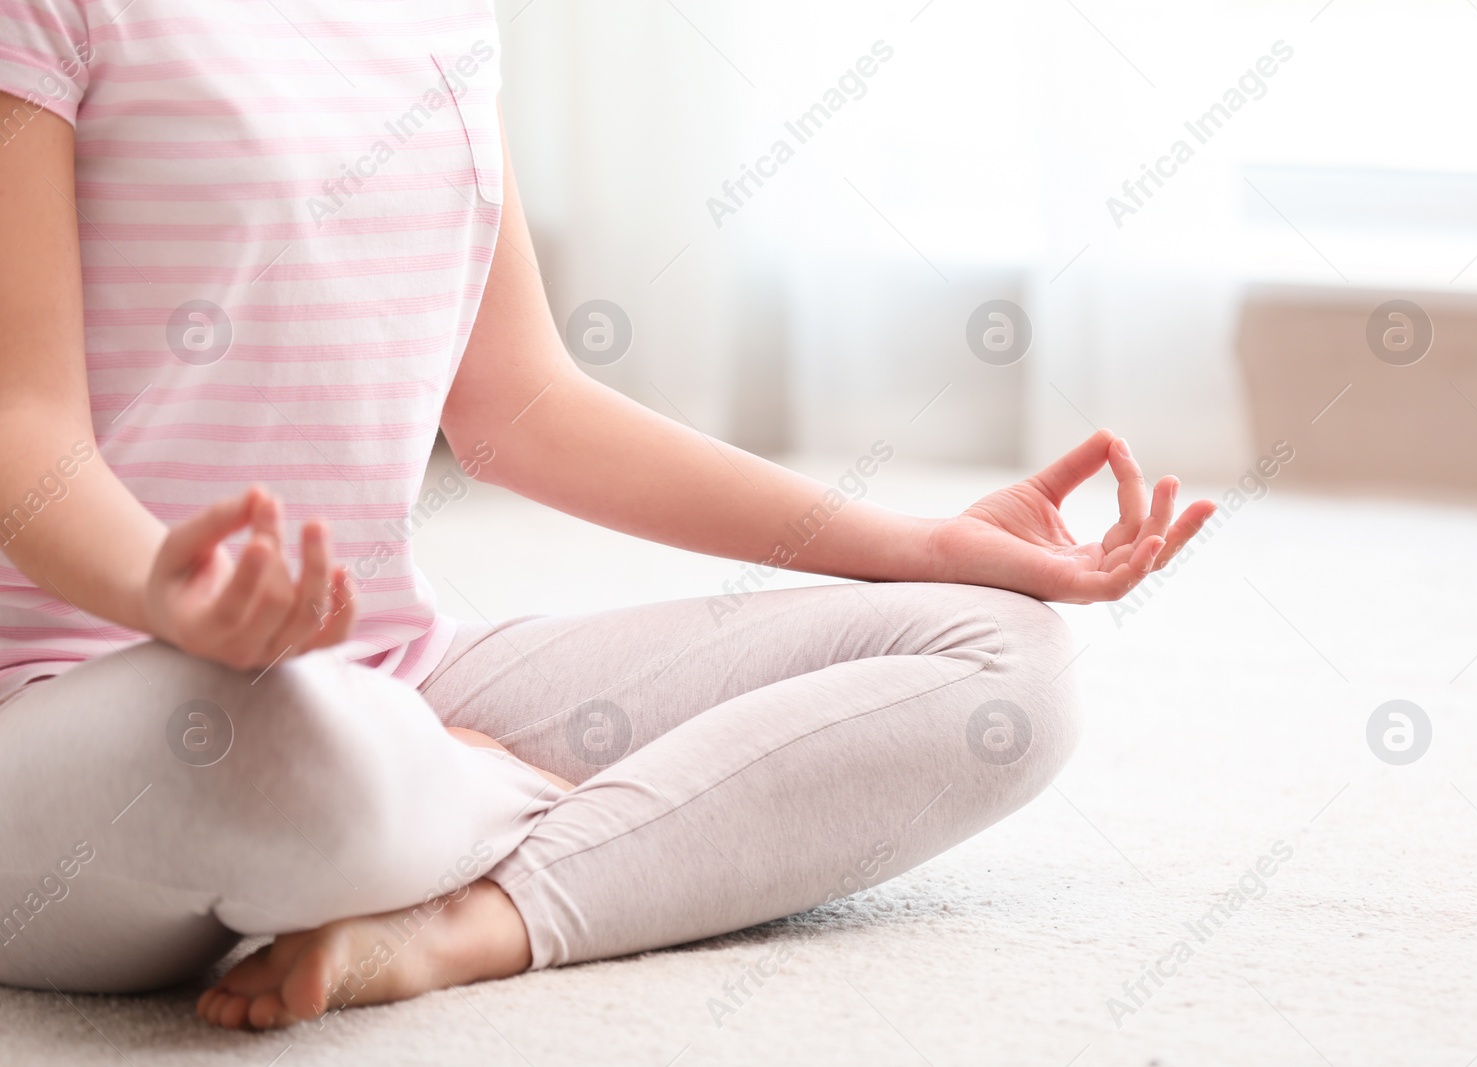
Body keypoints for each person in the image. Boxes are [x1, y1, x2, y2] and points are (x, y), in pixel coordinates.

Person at [0, 2, 1214, 1031]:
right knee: (257, 748)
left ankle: (475, 918)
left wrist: (921, 547)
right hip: (82, 715)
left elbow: (523, 406)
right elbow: (22, 428)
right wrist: (168, 588)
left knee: (1006, 666)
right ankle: (493, 796)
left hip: (383, 683)